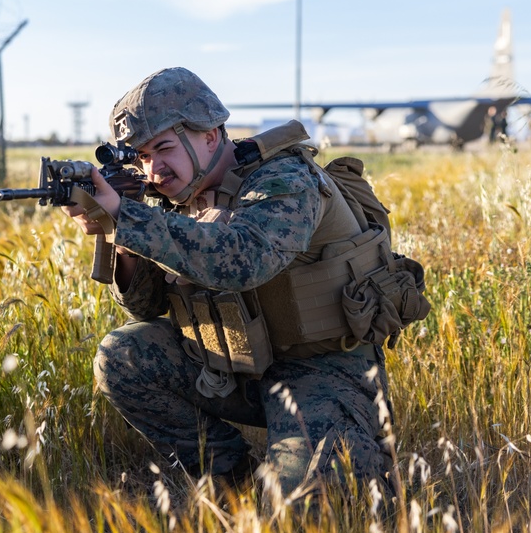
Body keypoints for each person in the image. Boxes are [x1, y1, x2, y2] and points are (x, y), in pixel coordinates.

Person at [63, 67, 427, 499]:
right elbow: (146, 307)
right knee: (122, 357)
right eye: (142, 156)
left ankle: (327, 444)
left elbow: (244, 260)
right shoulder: (179, 198)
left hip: (324, 368)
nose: (154, 168)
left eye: (162, 148)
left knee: (310, 511)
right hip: (235, 365)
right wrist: (118, 235)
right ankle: (229, 477)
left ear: (211, 136)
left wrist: (131, 218)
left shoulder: (286, 179)